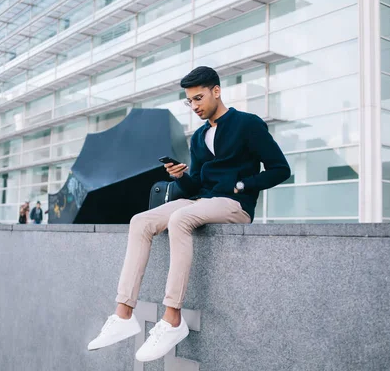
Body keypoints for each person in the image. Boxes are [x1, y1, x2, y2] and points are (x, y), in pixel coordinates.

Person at [87, 66, 291, 361]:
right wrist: (180, 176)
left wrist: (243, 184)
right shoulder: (198, 138)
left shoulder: (248, 124)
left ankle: (172, 319)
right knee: (141, 221)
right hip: (202, 201)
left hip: (235, 205)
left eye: (199, 98)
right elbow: (195, 185)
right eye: (190, 101)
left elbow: (280, 169)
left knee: (179, 219)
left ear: (216, 91)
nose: (194, 106)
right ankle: (123, 314)